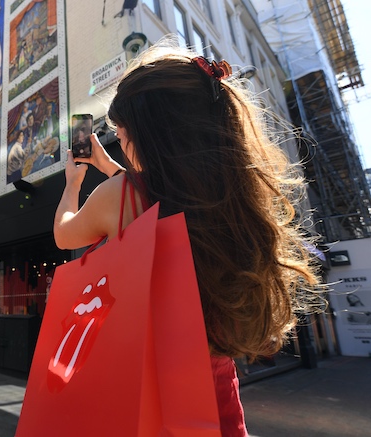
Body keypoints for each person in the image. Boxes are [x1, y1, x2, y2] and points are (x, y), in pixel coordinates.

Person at [53, 40, 321, 436]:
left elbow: (64, 233)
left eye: (124, 136)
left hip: (142, 402)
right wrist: (113, 170)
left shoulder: (119, 197)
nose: (123, 149)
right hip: (216, 409)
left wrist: (74, 184)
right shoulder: (231, 196)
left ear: (150, 137)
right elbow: (163, 196)